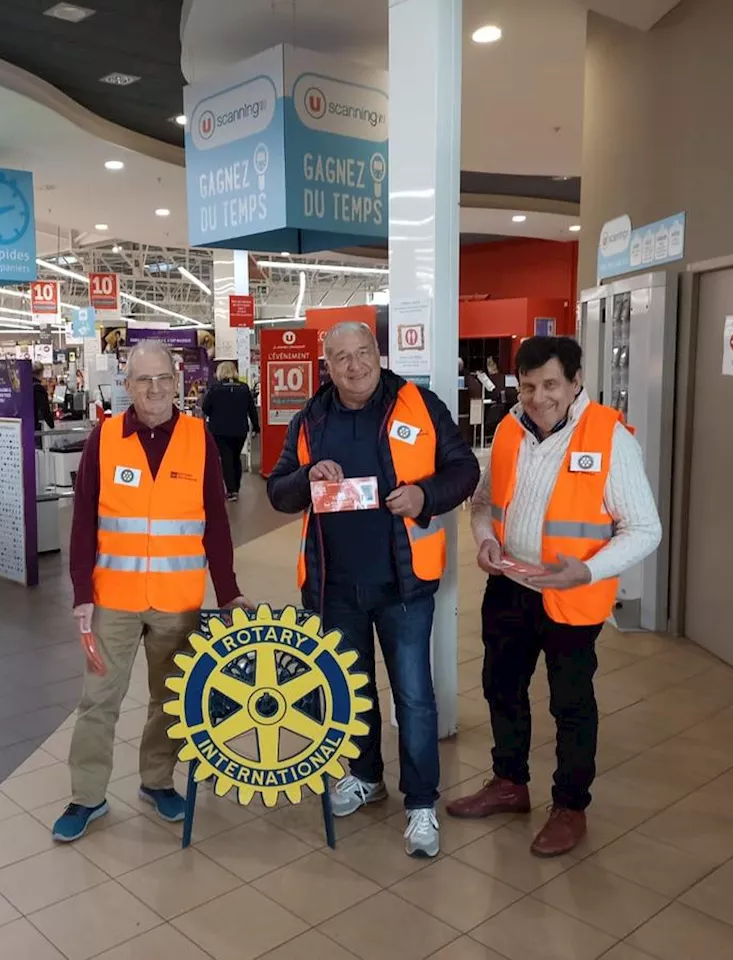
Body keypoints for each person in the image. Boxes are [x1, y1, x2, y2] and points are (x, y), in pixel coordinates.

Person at [267, 321, 479, 857]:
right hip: (333, 587)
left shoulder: (419, 405)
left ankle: (422, 804)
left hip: (404, 585)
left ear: (378, 354)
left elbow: (465, 468)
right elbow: (279, 491)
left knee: (413, 697)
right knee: (352, 691)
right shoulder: (311, 418)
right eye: (341, 357)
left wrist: (425, 496)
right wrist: (308, 477)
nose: (354, 365)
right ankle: (364, 776)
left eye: (363, 353)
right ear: (327, 365)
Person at [448, 336, 661, 857]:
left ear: (575, 382)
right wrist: (487, 540)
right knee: (501, 687)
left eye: (550, 385)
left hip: (570, 597)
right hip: (509, 587)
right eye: (527, 386)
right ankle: (509, 782)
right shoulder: (506, 431)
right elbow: (482, 504)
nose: (538, 397)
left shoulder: (611, 438)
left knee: (570, 703)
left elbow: (645, 529)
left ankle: (569, 807)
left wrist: (585, 571)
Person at [55, 341, 250, 842]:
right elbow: (84, 522)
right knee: (99, 699)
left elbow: (215, 523)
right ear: (128, 386)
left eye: (163, 378)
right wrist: (82, 590)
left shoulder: (197, 437)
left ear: (178, 381)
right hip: (113, 599)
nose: (156, 388)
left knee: (170, 699)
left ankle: (157, 781)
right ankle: (87, 796)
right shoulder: (105, 438)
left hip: (177, 600)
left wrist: (227, 592)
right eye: (144, 380)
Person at [201, 361, 260, 501]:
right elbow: (251, 410)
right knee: (235, 457)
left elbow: (205, 408)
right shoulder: (244, 388)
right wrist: (256, 427)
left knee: (225, 458)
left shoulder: (215, 388)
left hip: (219, 430)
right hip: (240, 430)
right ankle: (236, 488)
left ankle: (231, 490)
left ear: (220, 372)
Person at [32, 363, 55, 431]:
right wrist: (51, 425)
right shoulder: (38, 388)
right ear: (41, 372)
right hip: (35, 424)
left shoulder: (26, 386)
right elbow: (44, 409)